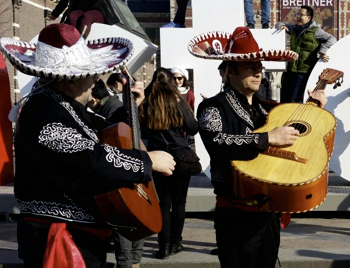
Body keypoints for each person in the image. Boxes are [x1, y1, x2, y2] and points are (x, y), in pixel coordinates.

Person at [0, 23, 176, 267]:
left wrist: (131, 108)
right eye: (91, 72)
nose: (96, 79)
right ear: (70, 80)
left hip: (76, 236)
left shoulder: (63, 104)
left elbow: (109, 130)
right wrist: (147, 161)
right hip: (58, 239)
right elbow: (91, 158)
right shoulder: (43, 112)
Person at [190, 26, 327, 267]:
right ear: (229, 71)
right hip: (235, 214)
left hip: (269, 212)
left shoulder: (268, 109)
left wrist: (314, 110)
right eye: (250, 66)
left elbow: (294, 139)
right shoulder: (212, 107)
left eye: (259, 67)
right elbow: (217, 143)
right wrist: (266, 139)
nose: (258, 72)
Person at [139, 68, 199, 260]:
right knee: (179, 202)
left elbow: (142, 132)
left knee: (163, 204)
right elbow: (193, 127)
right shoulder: (176, 100)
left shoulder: (147, 102)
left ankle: (163, 246)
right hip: (180, 155)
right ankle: (176, 243)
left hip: (157, 156)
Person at [275, 5, 337, 103]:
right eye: (297, 14)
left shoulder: (316, 31)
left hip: (304, 73)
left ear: (309, 17)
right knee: (284, 99)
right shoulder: (294, 28)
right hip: (290, 71)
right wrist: (281, 26)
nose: (298, 16)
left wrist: (322, 51)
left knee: (295, 100)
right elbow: (278, 24)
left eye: (301, 14)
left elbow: (332, 39)